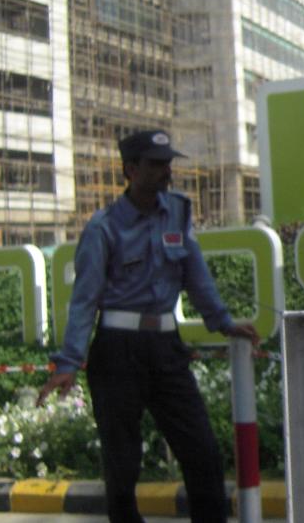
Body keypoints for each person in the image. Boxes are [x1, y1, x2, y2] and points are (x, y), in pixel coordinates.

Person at [38, 129, 259, 523]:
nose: (165, 172)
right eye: (156, 164)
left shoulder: (177, 211)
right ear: (130, 169)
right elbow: (85, 299)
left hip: (166, 348)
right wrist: (69, 362)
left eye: (167, 164)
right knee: (122, 463)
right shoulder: (104, 227)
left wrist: (223, 322)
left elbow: (196, 273)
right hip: (117, 350)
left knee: (202, 452)